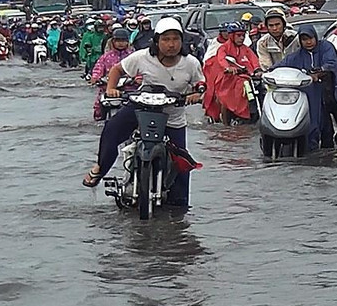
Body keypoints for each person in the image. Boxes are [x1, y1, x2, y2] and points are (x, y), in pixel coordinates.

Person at [82, 18, 205, 208]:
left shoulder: (191, 63)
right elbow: (117, 69)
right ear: (156, 41)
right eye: (166, 39)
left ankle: (180, 208)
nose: (171, 44)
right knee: (111, 130)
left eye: (175, 39)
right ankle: (100, 168)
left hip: (173, 114)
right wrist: (111, 89)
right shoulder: (142, 57)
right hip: (141, 107)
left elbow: (200, 83)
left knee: (182, 162)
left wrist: (196, 94)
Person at [272, 25, 337, 149]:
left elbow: (331, 63)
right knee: (322, 127)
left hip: (333, 93)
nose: (308, 42)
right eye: (304, 39)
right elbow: (281, 65)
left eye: (310, 38)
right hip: (314, 97)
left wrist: (320, 72)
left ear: (315, 37)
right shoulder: (297, 56)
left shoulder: (326, 47)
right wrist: (266, 72)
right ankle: (323, 154)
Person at [214, 22, 260, 125]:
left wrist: (257, 70)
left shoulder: (246, 48)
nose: (242, 38)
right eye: (239, 35)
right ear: (231, 36)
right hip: (228, 78)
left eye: (243, 35)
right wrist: (228, 68)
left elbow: (254, 60)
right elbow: (221, 59)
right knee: (225, 98)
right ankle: (226, 124)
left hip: (246, 77)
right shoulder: (224, 48)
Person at [89, 28, 136, 121]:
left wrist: (138, 78)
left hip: (129, 88)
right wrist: (95, 77)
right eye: (118, 41)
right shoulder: (106, 56)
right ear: (113, 42)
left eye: (123, 41)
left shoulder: (133, 56)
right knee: (98, 107)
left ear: (128, 42)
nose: (120, 43)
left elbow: (140, 69)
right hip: (108, 87)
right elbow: (98, 67)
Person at [202, 23, 232, 123]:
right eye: (225, 32)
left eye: (229, 32)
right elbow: (208, 60)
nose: (227, 34)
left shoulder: (240, 42)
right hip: (218, 72)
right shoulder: (216, 43)